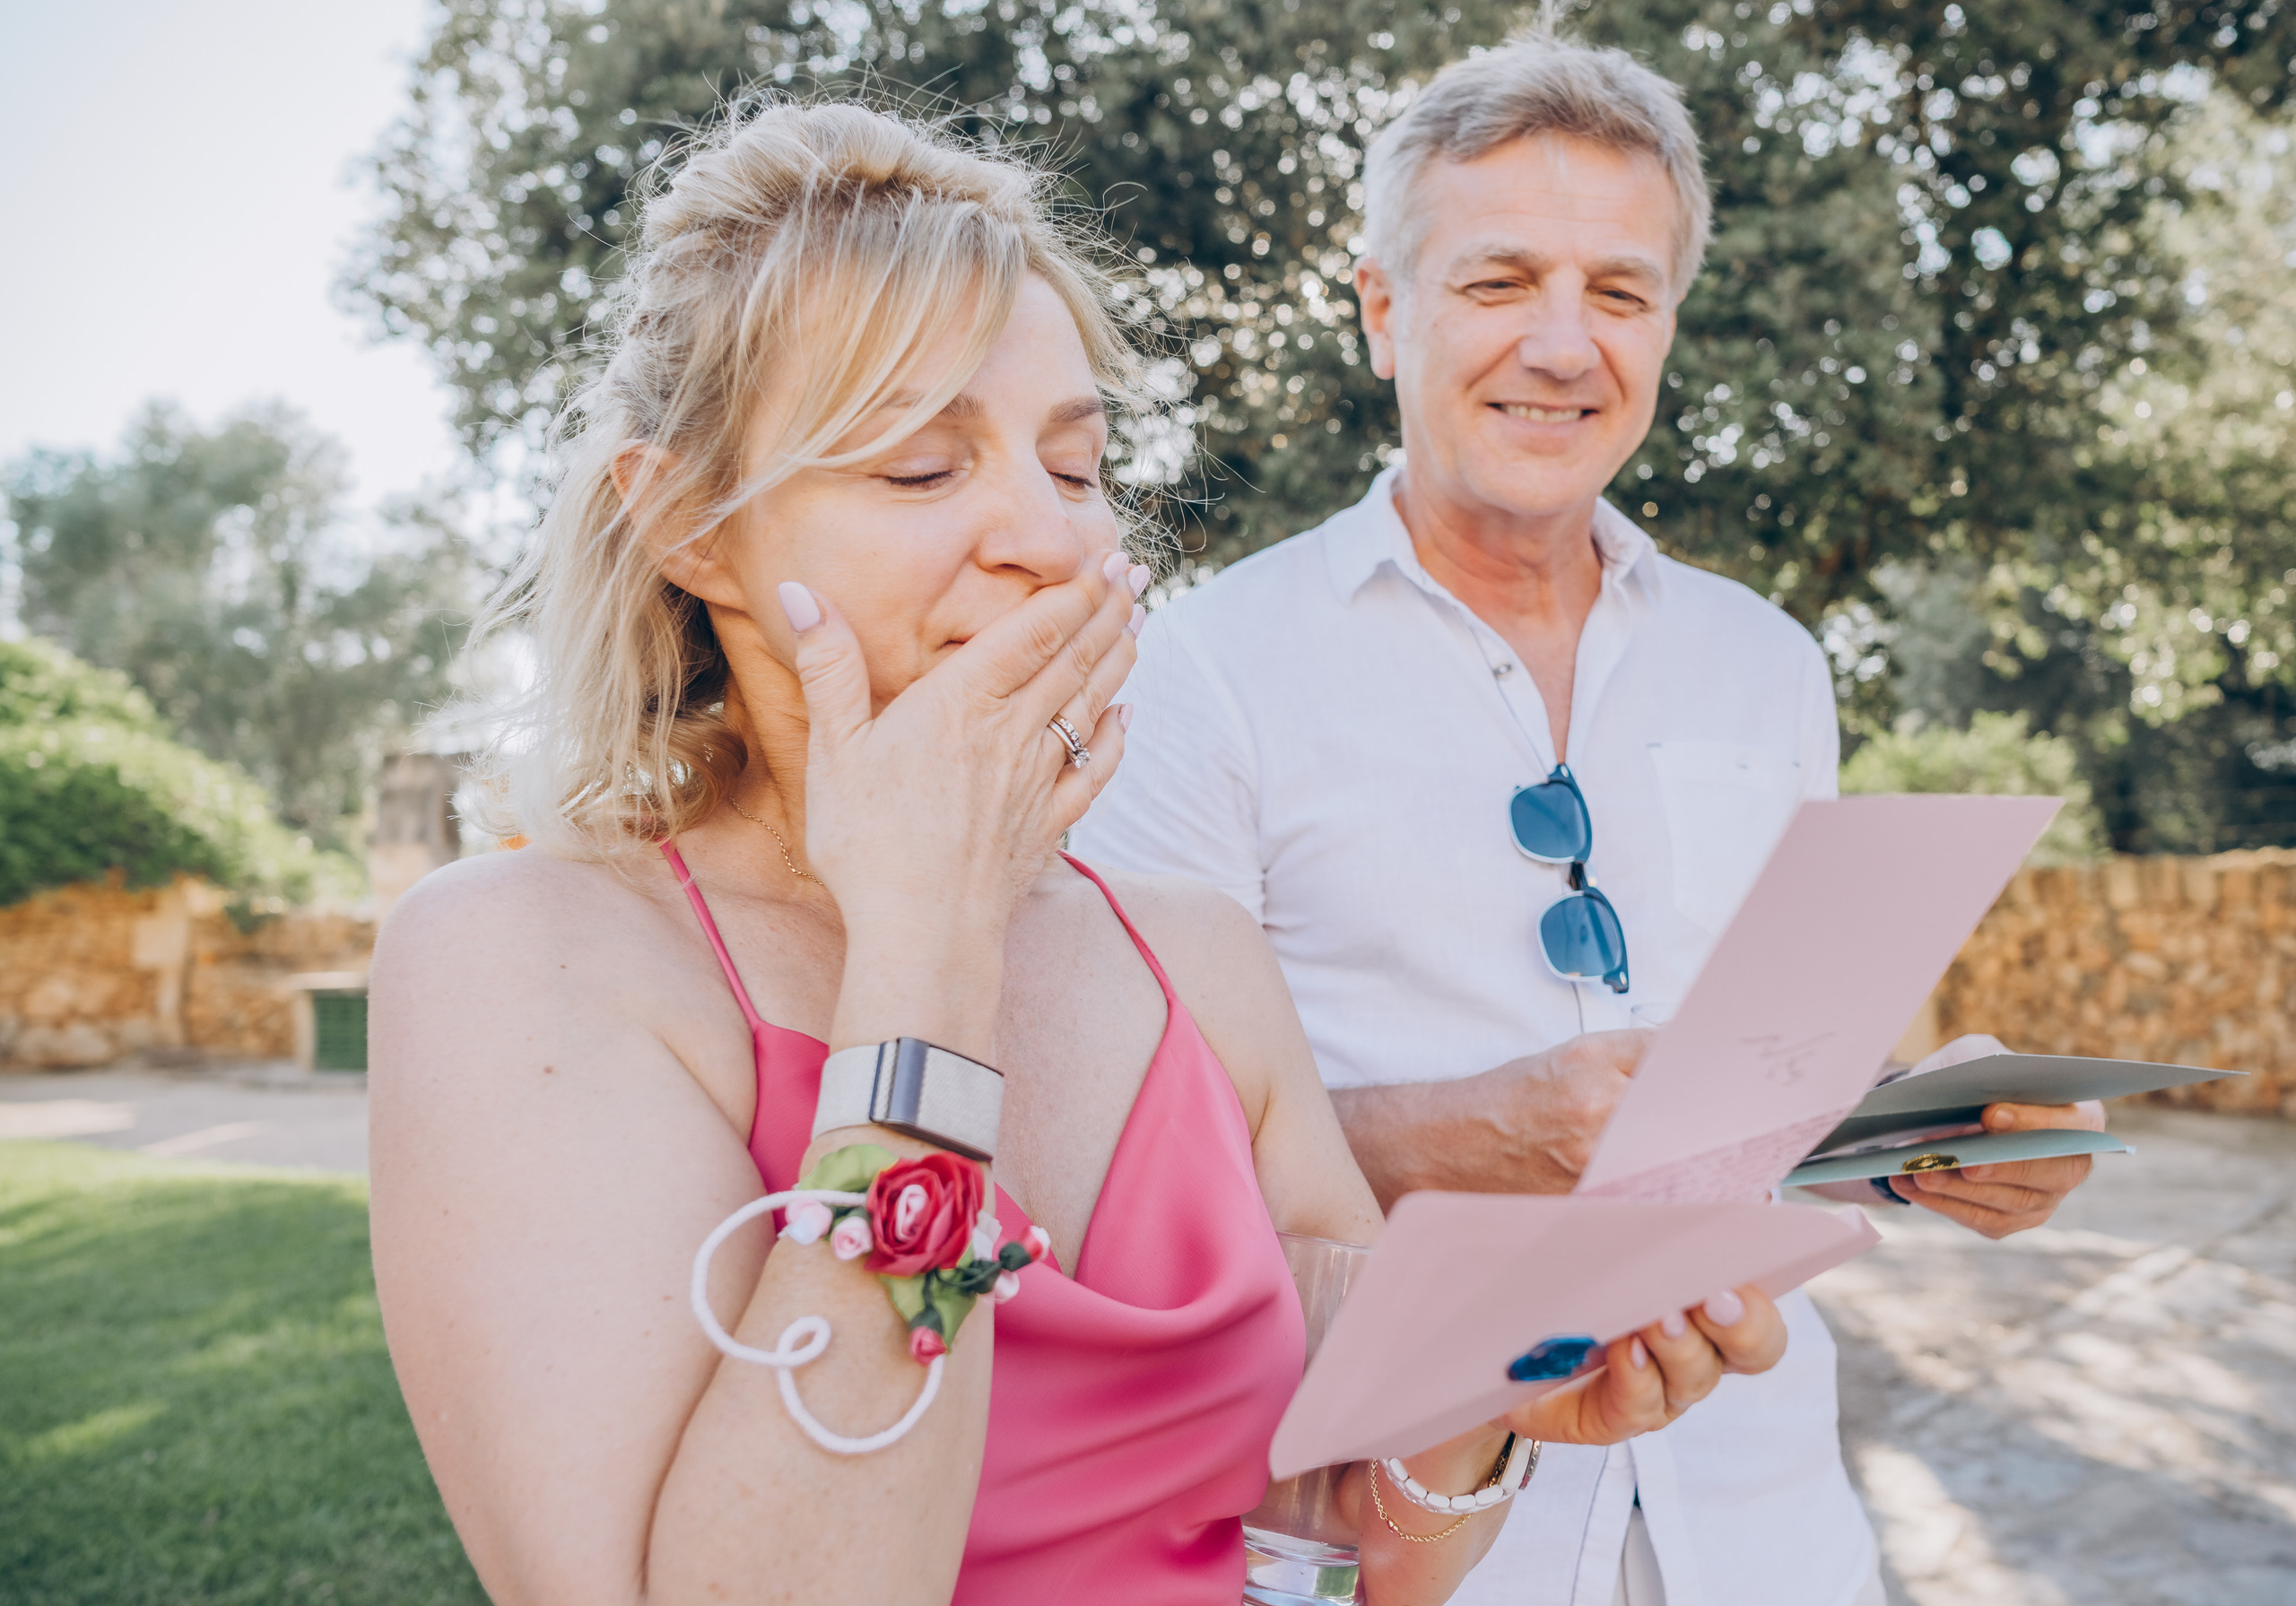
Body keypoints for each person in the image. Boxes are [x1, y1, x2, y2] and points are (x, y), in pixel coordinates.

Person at [365, 100, 1789, 1606]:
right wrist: (925, 952)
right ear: (687, 529)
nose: (1047, 542)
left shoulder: (1191, 955)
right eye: (922, 471)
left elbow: (1368, 1556)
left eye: (1075, 466)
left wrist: (1485, 1406)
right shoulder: (525, 960)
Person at [1072, 31, 2109, 1606]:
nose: (1565, 346)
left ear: (1668, 326)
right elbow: (1126, 1178)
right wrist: (1463, 1135)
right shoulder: (1204, 668)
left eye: (1619, 294)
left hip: (1773, 1530)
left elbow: (1759, 1101)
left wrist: (1921, 1141)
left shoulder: (1769, 662)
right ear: (1380, 312)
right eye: (1499, 283)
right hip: (1412, 1533)